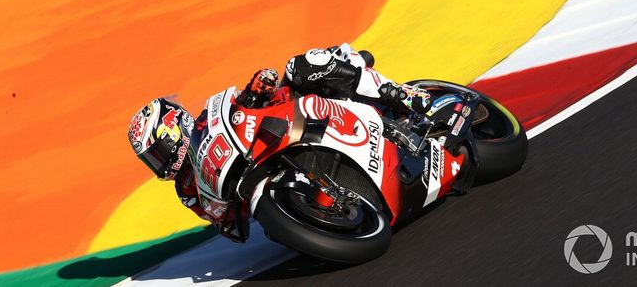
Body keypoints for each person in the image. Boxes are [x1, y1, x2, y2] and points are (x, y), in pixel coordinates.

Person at [128, 43, 431, 228]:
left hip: (287, 124)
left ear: (172, 131)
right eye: (150, 161)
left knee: (302, 65)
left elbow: (246, 107)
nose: (158, 164)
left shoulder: (207, 121)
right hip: (277, 186)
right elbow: (223, 218)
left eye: (156, 153)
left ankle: (401, 95)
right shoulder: (187, 190)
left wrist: (254, 92)